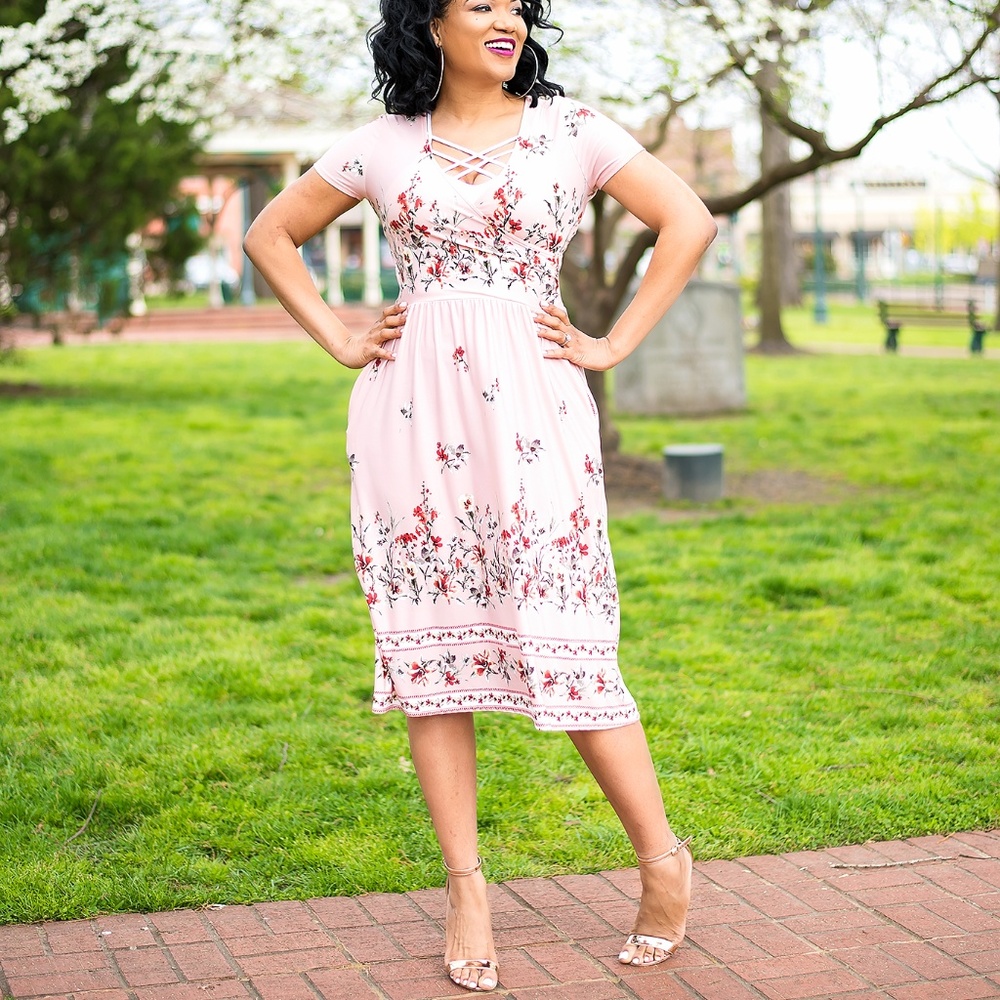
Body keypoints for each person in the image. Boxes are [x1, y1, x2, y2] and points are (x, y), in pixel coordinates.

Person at [244, 0, 717, 992]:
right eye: (481, 3)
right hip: (410, 417)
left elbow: (689, 219)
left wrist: (611, 345)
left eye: (516, 5)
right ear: (431, 24)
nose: (505, 17)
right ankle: (466, 886)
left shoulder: (573, 129)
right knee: (434, 650)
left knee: (570, 638)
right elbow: (270, 235)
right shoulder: (381, 145)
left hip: (536, 410)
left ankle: (661, 860)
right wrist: (338, 337)